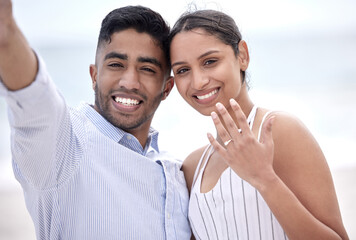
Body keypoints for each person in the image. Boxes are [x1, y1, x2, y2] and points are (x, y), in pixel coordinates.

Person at [0, 1, 191, 239]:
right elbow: (34, 99)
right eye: (116, 65)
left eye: (147, 69)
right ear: (94, 76)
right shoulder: (65, 147)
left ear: (167, 87)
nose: (129, 82)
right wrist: (5, 29)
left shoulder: (174, 170)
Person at [169, 9, 349, 240]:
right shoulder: (193, 167)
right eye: (183, 70)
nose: (198, 81)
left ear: (242, 55)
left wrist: (264, 178)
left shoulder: (279, 131)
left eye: (210, 61)